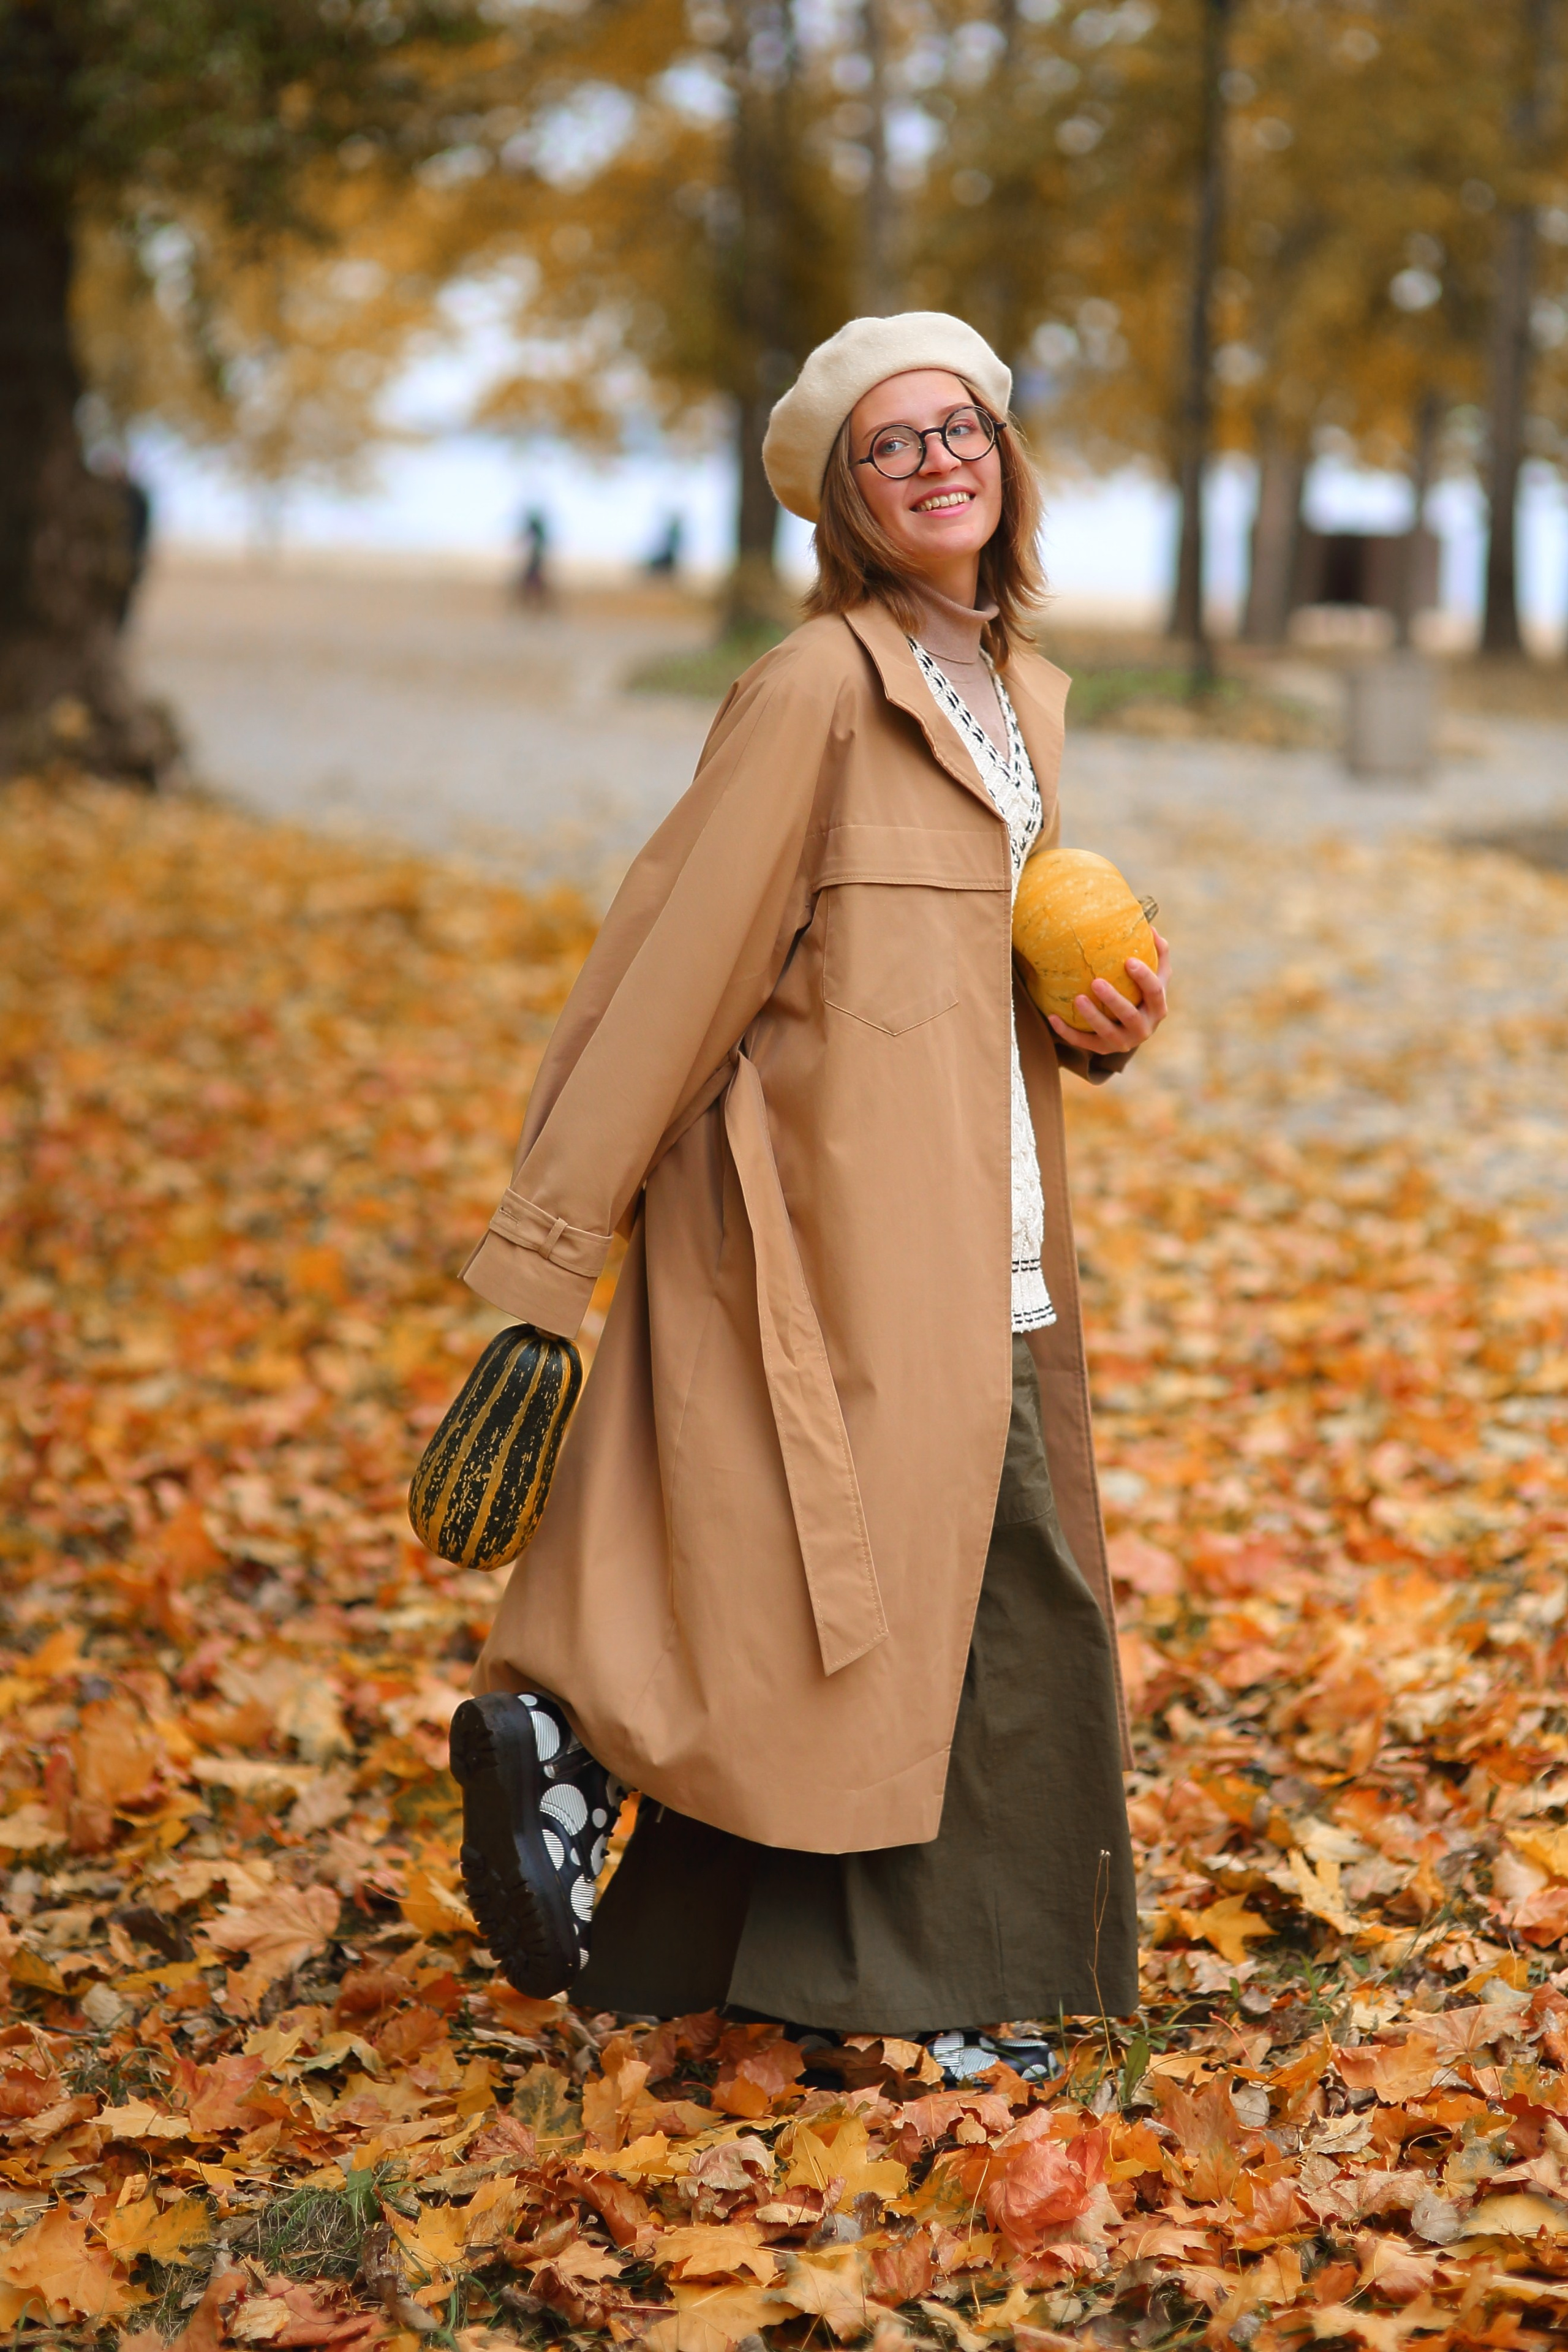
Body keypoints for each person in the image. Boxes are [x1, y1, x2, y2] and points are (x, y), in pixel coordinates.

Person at [448, 312, 1170, 2055]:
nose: (937, 463)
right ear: (847, 502)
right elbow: (669, 971)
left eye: (961, 429)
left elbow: (949, 978)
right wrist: (547, 1255)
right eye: (890, 446)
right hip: (828, 1235)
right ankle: (942, 1989)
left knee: (912, 1593)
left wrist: (1093, 1026)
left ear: (1007, 460)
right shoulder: (814, 691)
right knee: (937, 1591)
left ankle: (636, 1851)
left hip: (981, 1221)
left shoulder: (1014, 699)